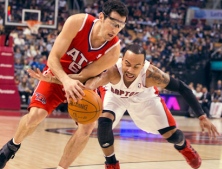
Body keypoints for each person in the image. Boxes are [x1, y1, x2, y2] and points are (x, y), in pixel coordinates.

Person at [28, 44, 219, 169]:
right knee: (104, 122)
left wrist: (202, 116)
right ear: (122, 61)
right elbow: (87, 82)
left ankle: (184, 147)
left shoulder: (152, 74)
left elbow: (182, 88)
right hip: (115, 97)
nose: (130, 69)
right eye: (127, 64)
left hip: (144, 98)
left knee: (172, 135)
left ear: (143, 65)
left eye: (135, 66)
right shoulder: (113, 72)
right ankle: (111, 163)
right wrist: (54, 79)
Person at [0, 1, 128, 169]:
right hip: (57, 70)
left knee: (87, 127)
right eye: (113, 23)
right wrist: (62, 80)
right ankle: (11, 146)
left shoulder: (113, 51)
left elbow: (84, 77)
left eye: (120, 26)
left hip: (81, 83)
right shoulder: (77, 22)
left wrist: (68, 82)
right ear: (102, 17)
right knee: (35, 116)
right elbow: (53, 57)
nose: (115, 30)